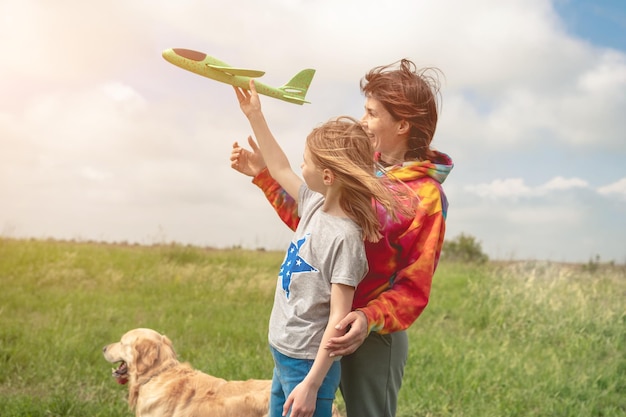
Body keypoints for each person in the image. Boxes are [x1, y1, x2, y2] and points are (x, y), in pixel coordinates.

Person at [230, 59, 454, 417]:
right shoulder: (359, 165)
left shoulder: (426, 198)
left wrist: (366, 318)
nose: (362, 121)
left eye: (371, 113)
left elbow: (414, 287)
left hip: (372, 336)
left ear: (402, 124)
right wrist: (265, 177)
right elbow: (315, 227)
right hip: (322, 327)